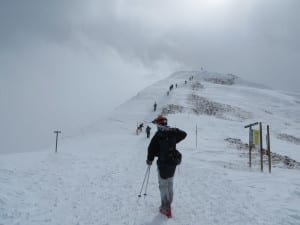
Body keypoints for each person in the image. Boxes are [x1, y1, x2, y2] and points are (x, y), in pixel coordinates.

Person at [146, 115, 187, 218]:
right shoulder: (172, 133)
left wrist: (149, 160)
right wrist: (175, 129)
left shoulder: (158, 135)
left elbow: (151, 149)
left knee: (163, 185)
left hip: (163, 164)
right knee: (170, 184)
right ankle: (169, 204)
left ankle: (166, 208)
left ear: (158, 124)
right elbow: (184, 134)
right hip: (173, 164)